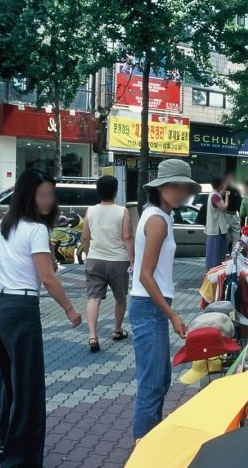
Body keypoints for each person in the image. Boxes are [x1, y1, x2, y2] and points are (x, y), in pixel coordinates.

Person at [0, 169, 83, 468]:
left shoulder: (5, 224)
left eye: (51, 194)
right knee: (27, 387)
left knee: (9, 381)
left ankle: (5, 445)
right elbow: (48, 278)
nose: (48, 200)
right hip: (20, 310)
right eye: (42, 194)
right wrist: (70, 309)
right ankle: (17, 463)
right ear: (28, 195)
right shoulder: (37, 229)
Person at [130, 159, 197, 440]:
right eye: (177, 186)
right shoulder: (157, 220)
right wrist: (172, 315)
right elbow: (145, 275)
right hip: (149, 306)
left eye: (185, 187)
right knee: (152, 384)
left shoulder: (160, 216)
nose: (182, 192)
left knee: (158, 380)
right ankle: (143, 448)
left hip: (151, 305)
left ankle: (148, 442)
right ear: (161, 187)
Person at [82, 175, 134, 353]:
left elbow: (85, 237)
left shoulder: (90, 211)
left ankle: (92, 335)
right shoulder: (122, 211)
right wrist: (132, 261)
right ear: (115, 191)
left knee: (93, 298)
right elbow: (127, 237)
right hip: (118, 261)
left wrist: (88, 255)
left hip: (95, 259)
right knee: (120, 297)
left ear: (98, 191)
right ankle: (117, 330)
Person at [205, 174, 230, 270]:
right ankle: (215, 271)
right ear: (220, 184)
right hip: (217, 229)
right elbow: (224, 208)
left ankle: (211, 271)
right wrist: (227, 197)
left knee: (213, 254)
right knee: (217, 254)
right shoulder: (215, 196)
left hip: (213, 229)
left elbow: (220, 196)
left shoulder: (213, 194)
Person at [223, 172, 243, 247]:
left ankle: (234, 253)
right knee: (226, 238)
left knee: (236, 238)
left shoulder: (236, 189)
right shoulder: (223, 189)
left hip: (235, 214)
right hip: (226, 214)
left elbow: (239, 202)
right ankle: (225, 253)